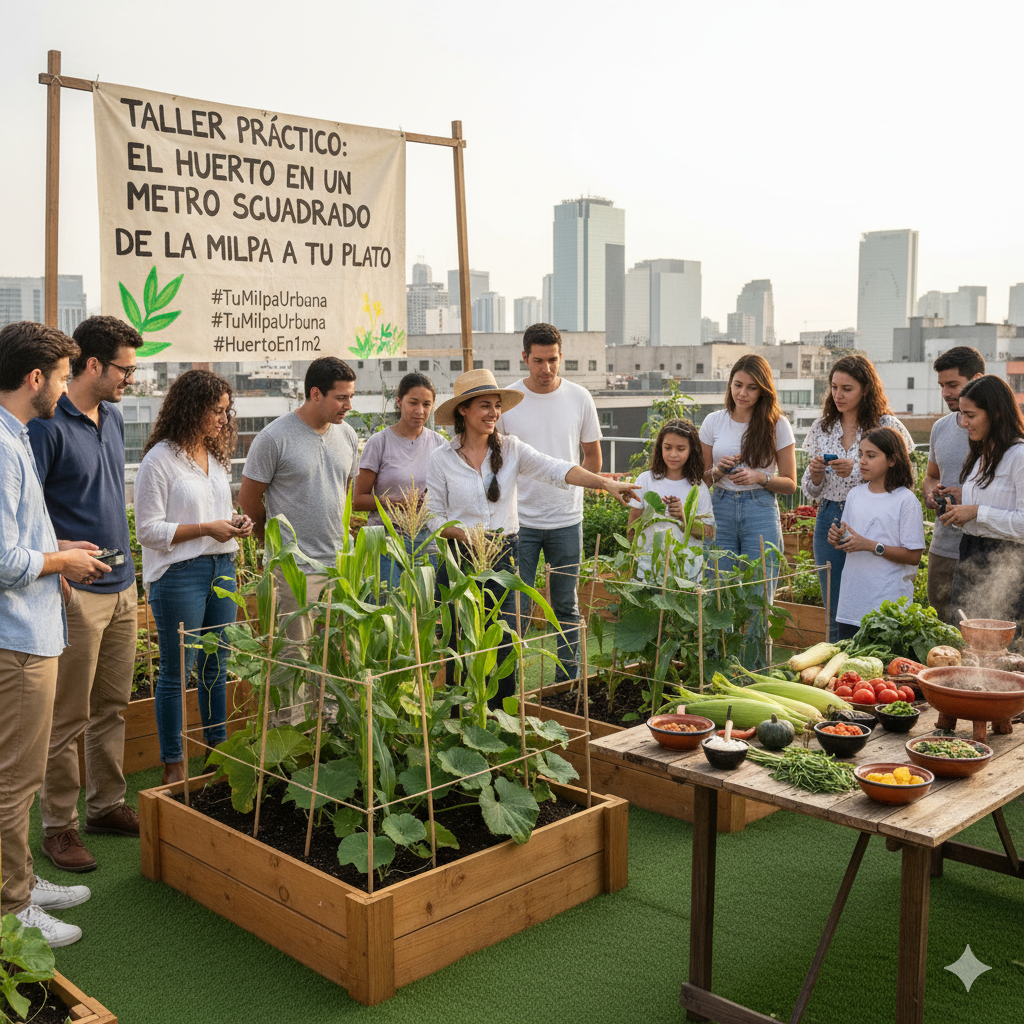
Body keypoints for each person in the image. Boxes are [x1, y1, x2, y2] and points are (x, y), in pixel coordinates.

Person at [427, 369, 638, 705]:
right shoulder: (441, 459)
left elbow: (557, 468)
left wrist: (606, 483)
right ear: (463, 410)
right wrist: (467, 536)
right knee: (460, 642)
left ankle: (502, 718)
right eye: (485, 405)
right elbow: (433, 516)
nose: (493, 413)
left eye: (497, 406)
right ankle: (460, 718)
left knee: (505, 642)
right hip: (460, 560)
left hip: (502, 556)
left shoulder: (511, 450)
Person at [0, 320, 112, 947]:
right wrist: (60, 562)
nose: (67, 387)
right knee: (13, 780)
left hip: (28, 633)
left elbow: (17, 539)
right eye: (65, 375)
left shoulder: (14, 437)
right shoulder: (3, 443)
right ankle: (12, 908)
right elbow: (0, 558)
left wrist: (55, 545)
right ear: (35, 378)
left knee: (19, 777)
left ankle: (19, 879)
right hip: (16, 639)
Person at [28, 316, 143, 874]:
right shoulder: (47, 425)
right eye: (124, 368)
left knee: (112, 708)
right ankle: (60, 827)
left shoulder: (115, 417)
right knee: (68, 718)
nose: (131, 377)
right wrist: (63, 563)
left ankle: (107, 806)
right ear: (92, 365)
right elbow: (28, 515)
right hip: (75, 592)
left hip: (123, 588)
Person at [134, 370, 253, 785]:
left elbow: (215, 511)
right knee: (176, 671)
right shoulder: (158, 460)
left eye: (225, 411)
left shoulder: (215, 457)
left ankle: (217, 754)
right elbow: (147, 530)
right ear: (191, 409)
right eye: (215, 411)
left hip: (223, 566)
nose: (223, 419)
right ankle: (174, 763)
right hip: (180, 575)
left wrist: (236, 522)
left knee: (215, 666)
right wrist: (207, 528)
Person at [240, 356, 358, 722]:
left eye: (351, 397)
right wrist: (275, 550)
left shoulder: (348, 436)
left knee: (335, 658)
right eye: (341, 398)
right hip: (293, 571)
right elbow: (249, 503)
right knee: (294, 660)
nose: (348, 406)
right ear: (315, 393)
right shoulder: (274, 437)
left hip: (339, 567)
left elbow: (345, 494)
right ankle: (290, 744)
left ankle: (331, 735)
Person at [496, 323, 603, 684]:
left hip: (566, 520)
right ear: (524, 358)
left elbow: (593, 458)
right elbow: (494, 461)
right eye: (538, 361)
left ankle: (566, 682)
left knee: (565, 605)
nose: (546, 369)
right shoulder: (507, 401)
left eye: (553, 360)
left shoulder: (579, 397)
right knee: (515, 609)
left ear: (561, 357)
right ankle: (509, 687)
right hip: (519, 522)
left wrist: (573, 495)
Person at [801, 354, 914, 642]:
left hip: (872, 515)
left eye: (847, 388)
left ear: (866, 389)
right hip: (830, 516)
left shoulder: (885, 423)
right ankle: (836, 670)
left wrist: (857, 471)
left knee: (873, 594)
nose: (838, 395)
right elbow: (810, 490)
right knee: (834, 603)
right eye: (834, 387)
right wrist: (816, 474)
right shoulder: (821, 427)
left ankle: (871, 659)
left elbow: (900, 470)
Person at [699, 354, 796, 598]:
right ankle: (721, 639)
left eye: (752, 388)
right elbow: (699, 481)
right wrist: (718, 471)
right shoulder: (713, 422)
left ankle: (759, 639)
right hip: (720, 507)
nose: (743, 393)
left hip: (760, 510)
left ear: (763, 390)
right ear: (730, 384)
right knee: (719, 594)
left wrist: (759, 477)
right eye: (738, 385)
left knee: (760, 596)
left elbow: (790, 484)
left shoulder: (777, 425)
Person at [827, 427, 926, 641]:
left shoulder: (906, 500)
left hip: (888, 610)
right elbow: (850, 540)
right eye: (861, 454)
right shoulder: (854, 495)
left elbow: (913, 556)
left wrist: (871, 545)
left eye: (871, 456)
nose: (862, 461)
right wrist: (837, 538)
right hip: (851, 606)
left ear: (892, 460)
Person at [940, 375, 1024, 623]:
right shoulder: (981, 454)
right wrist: (959, 512)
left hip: (1007, 563)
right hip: (971, 554)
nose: (963, 422)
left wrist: (977, 511)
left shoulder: (1019, 455)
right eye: (962, 414)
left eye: (971, 415)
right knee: (967, 637)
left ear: (996, 413)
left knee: (1002, 646)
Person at [352, 372, 445, 587]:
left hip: (426, 538)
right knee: (388, 604)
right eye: (413, 402)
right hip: (387, 538)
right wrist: (397, 503)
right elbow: (358, 500)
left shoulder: (439, 443)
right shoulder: (379, 442)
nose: (419, 410)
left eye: (426, 404)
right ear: (398, 401)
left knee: (424, 608)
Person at [921, 347, 985, 623]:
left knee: (979, 630)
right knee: (939, 625)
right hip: (943, 546)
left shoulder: (1001, 433)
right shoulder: (940, 428)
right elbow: (931, 475)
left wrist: (967, 494)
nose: (946, 393)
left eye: (953, 385)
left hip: (983, 547)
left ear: (977, 379)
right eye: (942, 386)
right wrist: (930, 491)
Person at [627, 419, 714, 582]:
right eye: (667, 448)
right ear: (660, 448)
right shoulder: (645, 480)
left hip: (686, 574)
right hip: (648, 571)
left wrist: (684, 517)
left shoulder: (697, 487)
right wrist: (633, 561)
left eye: (681, 449)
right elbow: (632, 528)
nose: (673, 454)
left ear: (691, 451)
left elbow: (709, 534)